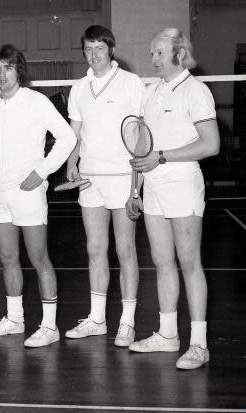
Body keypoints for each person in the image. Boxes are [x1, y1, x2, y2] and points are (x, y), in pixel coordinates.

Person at [0, 44, 77, 347]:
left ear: (19, 70)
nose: (2, 74)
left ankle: (49, 326)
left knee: (39, 258)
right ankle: (15, 320)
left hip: (29, 193)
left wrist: (42, 171)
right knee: (7, 258)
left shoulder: (37, 101)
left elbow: (67, 137)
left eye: (8, 67)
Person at [127, 28, 220, 370]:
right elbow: (140, 145)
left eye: (159, 54)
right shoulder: (151, 92)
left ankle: (198, 344)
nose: (153, 59)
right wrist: (134, 189)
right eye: (152, 53)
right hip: (151, 187)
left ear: (179, 55)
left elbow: (211, 145)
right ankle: (168, 335)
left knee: (189, 263)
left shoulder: (196, 91)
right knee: (162, 261)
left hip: (182, 183)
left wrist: (162, 157)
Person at [64, 25, 146, 347]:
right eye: (88, 49)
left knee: (125, 249)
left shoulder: (131, 83)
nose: (94, 55)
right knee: (95, 249)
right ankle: (97, 319)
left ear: (111, 49)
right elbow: (76, 131)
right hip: (90, 180)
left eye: (99, 48)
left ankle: (126, 323)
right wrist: (72, 162)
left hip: (123, 178)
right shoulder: (79, 88)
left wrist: (136, 186)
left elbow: (140, 135)